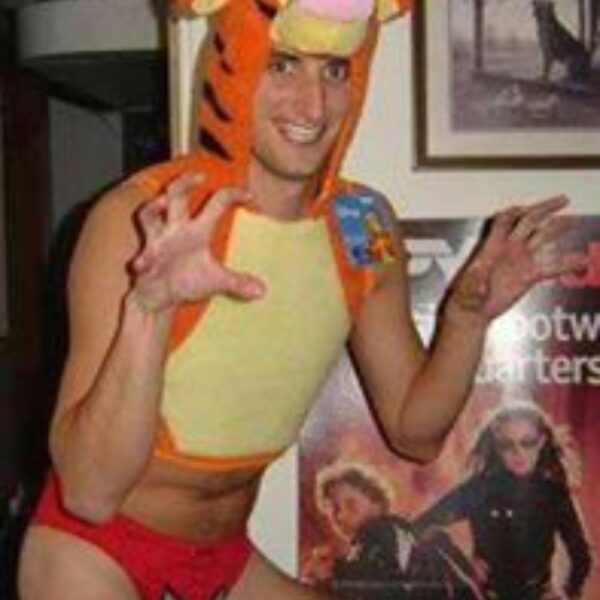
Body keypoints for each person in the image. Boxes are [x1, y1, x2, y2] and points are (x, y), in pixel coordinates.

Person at [17, 0, 589, 598]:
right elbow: (88, 493)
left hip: (225, 555)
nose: (313, 105)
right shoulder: (143, 216)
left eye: (334, 71)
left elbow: (414, 433)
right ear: (235, 66)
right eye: (282, 64)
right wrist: (150, 309)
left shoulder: (361, 222)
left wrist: (467, 319)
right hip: (96, 549)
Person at [415, 402, 592, 600]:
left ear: (542, 441)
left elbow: (581, 556)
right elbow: (420, 526)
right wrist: (461, 561)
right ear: (496, 445)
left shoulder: (554, 494)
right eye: (507, 445)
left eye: (527, 442)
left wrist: (567, 592)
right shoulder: (479, 489)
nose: (518, 452)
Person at [304, 462, 482, 600]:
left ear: (376, 503)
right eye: (333, 509)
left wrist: (334, 571)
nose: (341, 514)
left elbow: (383, 581)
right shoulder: (373, 542)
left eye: (351, 503)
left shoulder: (384, 530)